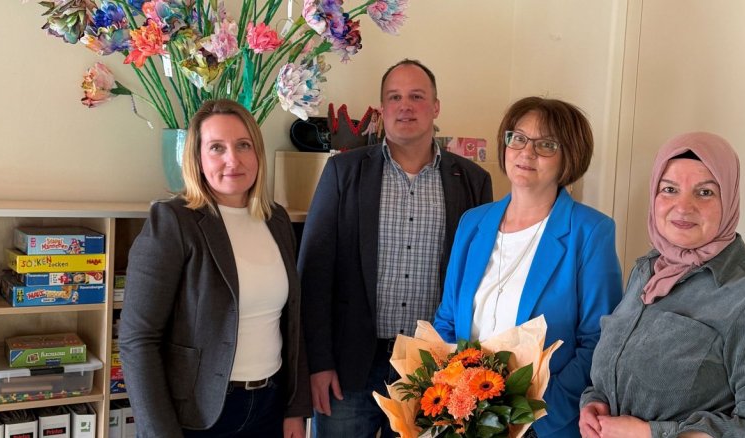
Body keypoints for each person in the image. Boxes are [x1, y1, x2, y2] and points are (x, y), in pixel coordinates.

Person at [298, 58, 493, 437]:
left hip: (434, 369)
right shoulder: (343, 173)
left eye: (417, 96)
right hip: (350, 365)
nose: (405, 106)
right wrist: (317, 363)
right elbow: (314, 275)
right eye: (395, 97)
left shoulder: (472, 181)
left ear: (435, 107)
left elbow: (480, 280)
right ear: (383, 109)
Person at [579, 132, 745, 438]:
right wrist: (595, 403)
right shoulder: (647, 271)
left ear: (729, 200)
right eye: (669, 189)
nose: (683, 207)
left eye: (705, 193)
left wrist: (651, 434)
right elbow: (618, 369)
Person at [119, 99, 311, 437]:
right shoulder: (174, 222)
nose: (232, 160)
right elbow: (138, 340)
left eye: (243, 145)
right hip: (199, 414)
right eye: (216, 148)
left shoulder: (277, 219)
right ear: (197, 159)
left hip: (269, 405)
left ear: (257, 153)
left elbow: (291, 322)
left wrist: (295, 408)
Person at [433, 96, 624, 436]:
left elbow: (599, 341)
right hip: (467, 420)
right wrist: (451, 402)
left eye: (546, 144)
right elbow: (448, 320)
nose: (526, 152)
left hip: (545, 423)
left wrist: (533, 413)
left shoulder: (590, 231)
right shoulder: (473, 222)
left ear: (570, 158)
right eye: (518, 138)